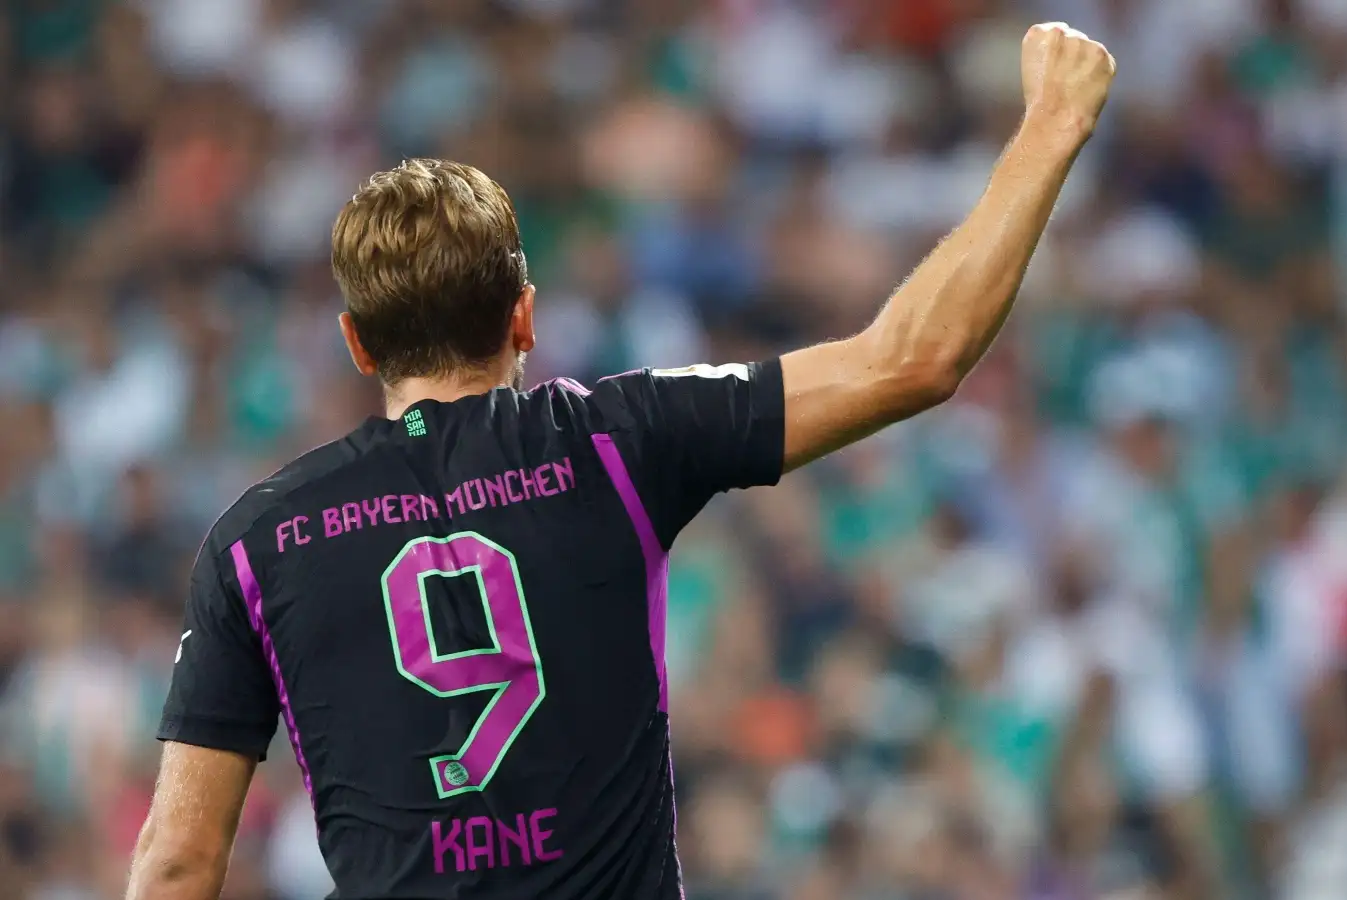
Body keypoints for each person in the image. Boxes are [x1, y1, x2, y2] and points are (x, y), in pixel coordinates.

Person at [123, 22, 1117, 900]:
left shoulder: (258, 539)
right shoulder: (614, 442)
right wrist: (1049, 128)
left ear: (357, 343)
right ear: (523, 315)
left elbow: (176, 865)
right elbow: (914, 360)